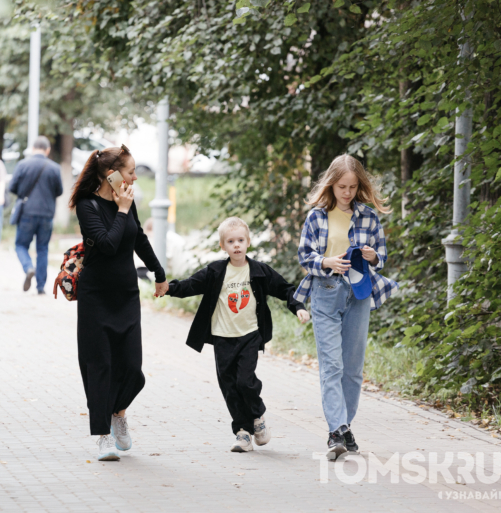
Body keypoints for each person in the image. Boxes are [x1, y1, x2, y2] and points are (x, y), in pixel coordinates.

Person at [166, 217, 310, 453]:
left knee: (245, 380)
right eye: (231, 241)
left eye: (240, 240)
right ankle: (242, 433)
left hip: (249, 335)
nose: (236, 245)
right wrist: (168, 288)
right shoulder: (215, 271)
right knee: (229, 386)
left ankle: (258, 416)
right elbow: (190, 285)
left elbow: (285, 288)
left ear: (248, 242)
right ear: (223, 245)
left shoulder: (259, 271)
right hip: (222, 337)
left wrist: (298, 306)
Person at [294, 154, 398, 460]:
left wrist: (372, 258)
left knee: (352, 368)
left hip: (359, 292)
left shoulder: (369, 217)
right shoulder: (316, 217)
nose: (347, 192)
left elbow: (383, 256)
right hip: (325, 291)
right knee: (332, 365)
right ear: (331, 184)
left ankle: (345, 425)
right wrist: (325, 261)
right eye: (342, 186)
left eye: (353, 187)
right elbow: (304, 255)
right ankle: (336, 431)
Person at [70, 144, 168, 461]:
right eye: (130, 171)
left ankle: (118, 415)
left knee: (131, 367)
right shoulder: (87, 206)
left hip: (126, 294)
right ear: (111, 174)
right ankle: (103, 437)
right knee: (99, 366)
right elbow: (109, 245)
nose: (135, 177)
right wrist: (122, 210)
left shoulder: (128, 200)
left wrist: (158, 271)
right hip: (95, 297)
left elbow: (137, 237)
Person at [8, 136, 63, 294]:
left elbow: (12, 187)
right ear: (48, 150)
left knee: (20, 245)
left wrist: (24, 194)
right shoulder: (54, 168)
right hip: (46, 214)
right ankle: (40, 287)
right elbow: (59, 191)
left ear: (33, 149)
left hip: (27, 213)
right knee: (43, 249)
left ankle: (28, 267)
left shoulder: (23, 165)